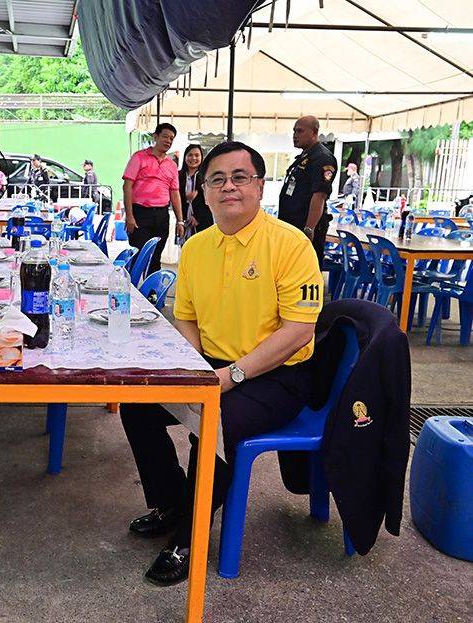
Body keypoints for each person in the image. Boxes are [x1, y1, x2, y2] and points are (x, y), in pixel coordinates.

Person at [120, 141, 324, 587]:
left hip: (278, 375)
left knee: (212, 420)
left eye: (239, 177)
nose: (228, 187)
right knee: (136, 402)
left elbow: (298, 332)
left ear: (259, 186)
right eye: (217, 179)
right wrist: (195, 367)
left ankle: (189, 536)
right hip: (211, 363)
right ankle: (173, 501)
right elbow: (187, 317)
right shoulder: (196, 248)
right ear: (203, 192)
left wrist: (230, 376)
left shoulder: (290, 244)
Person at [122, 123, 185, 276]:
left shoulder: (171, 165)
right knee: (138, 254)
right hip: (140, 213)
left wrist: (180, 221)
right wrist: (129, 216)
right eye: (165, 136)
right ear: (155, 136)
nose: (168, 141)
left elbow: (174, 192)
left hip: (162, 214)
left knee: (156, 257)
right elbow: (127, 186)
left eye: (171, 138)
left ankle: (151, 294)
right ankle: (133, 290)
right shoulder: (139, 157)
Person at [278, 115, 338, 264]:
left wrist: (309, 229)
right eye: (294, 131)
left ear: (314, 132)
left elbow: (319, 196)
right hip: (291, 224)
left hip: (304, 226)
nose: (295, 135)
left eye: (300, 131)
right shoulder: (305, 156)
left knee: (305, 268)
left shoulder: (323, 158)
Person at [178, 144, 213, 238]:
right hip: (184, 220)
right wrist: (186, 198)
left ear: (201, 157)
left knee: (203, 247)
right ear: (185, 157)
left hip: (203, 220)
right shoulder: (179, 176)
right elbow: (174, 197)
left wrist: (198, 217)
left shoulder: (207, 175)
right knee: (186, 247)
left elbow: (211, 198)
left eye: (197, 155)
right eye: (190, 155)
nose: (193, 158)